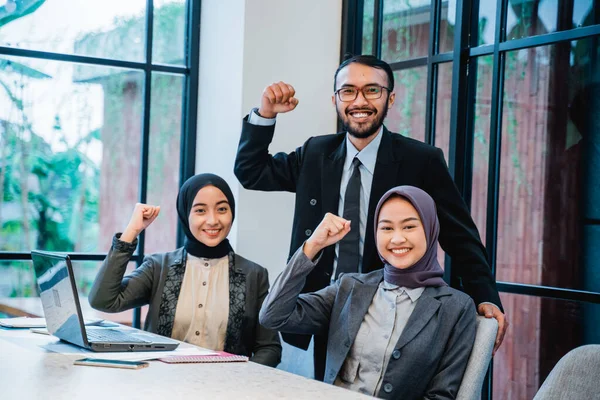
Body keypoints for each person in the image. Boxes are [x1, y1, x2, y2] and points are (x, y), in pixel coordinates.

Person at [234, 54, 506, 378]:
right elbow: (251, 172)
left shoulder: (422, 160)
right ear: (335, 99)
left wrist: (486, 295)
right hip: (321, 306)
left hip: (386, 310)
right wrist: (265, 114)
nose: (359, 101)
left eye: (372, 91)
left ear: (390, 97)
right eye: (347, 91)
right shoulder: (316, 153)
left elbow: (460, 237)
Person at [260, 186, 476, 399]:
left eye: (409, 227)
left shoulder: (456, 308)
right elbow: (273, 315)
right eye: (387, 228)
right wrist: (312, 246)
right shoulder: (350, 287)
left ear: (430, 229)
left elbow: (441, 395)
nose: (397, 239)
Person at [89, 173, 281, 367]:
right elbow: (103, 300)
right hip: (163, 387)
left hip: (225, 390)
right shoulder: (158, 267)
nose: (213, 220)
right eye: (200, 210)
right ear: (185, 213)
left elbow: (269, 347)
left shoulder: (254, 275)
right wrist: (132, 231)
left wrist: (244, 384)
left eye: (222, 209)